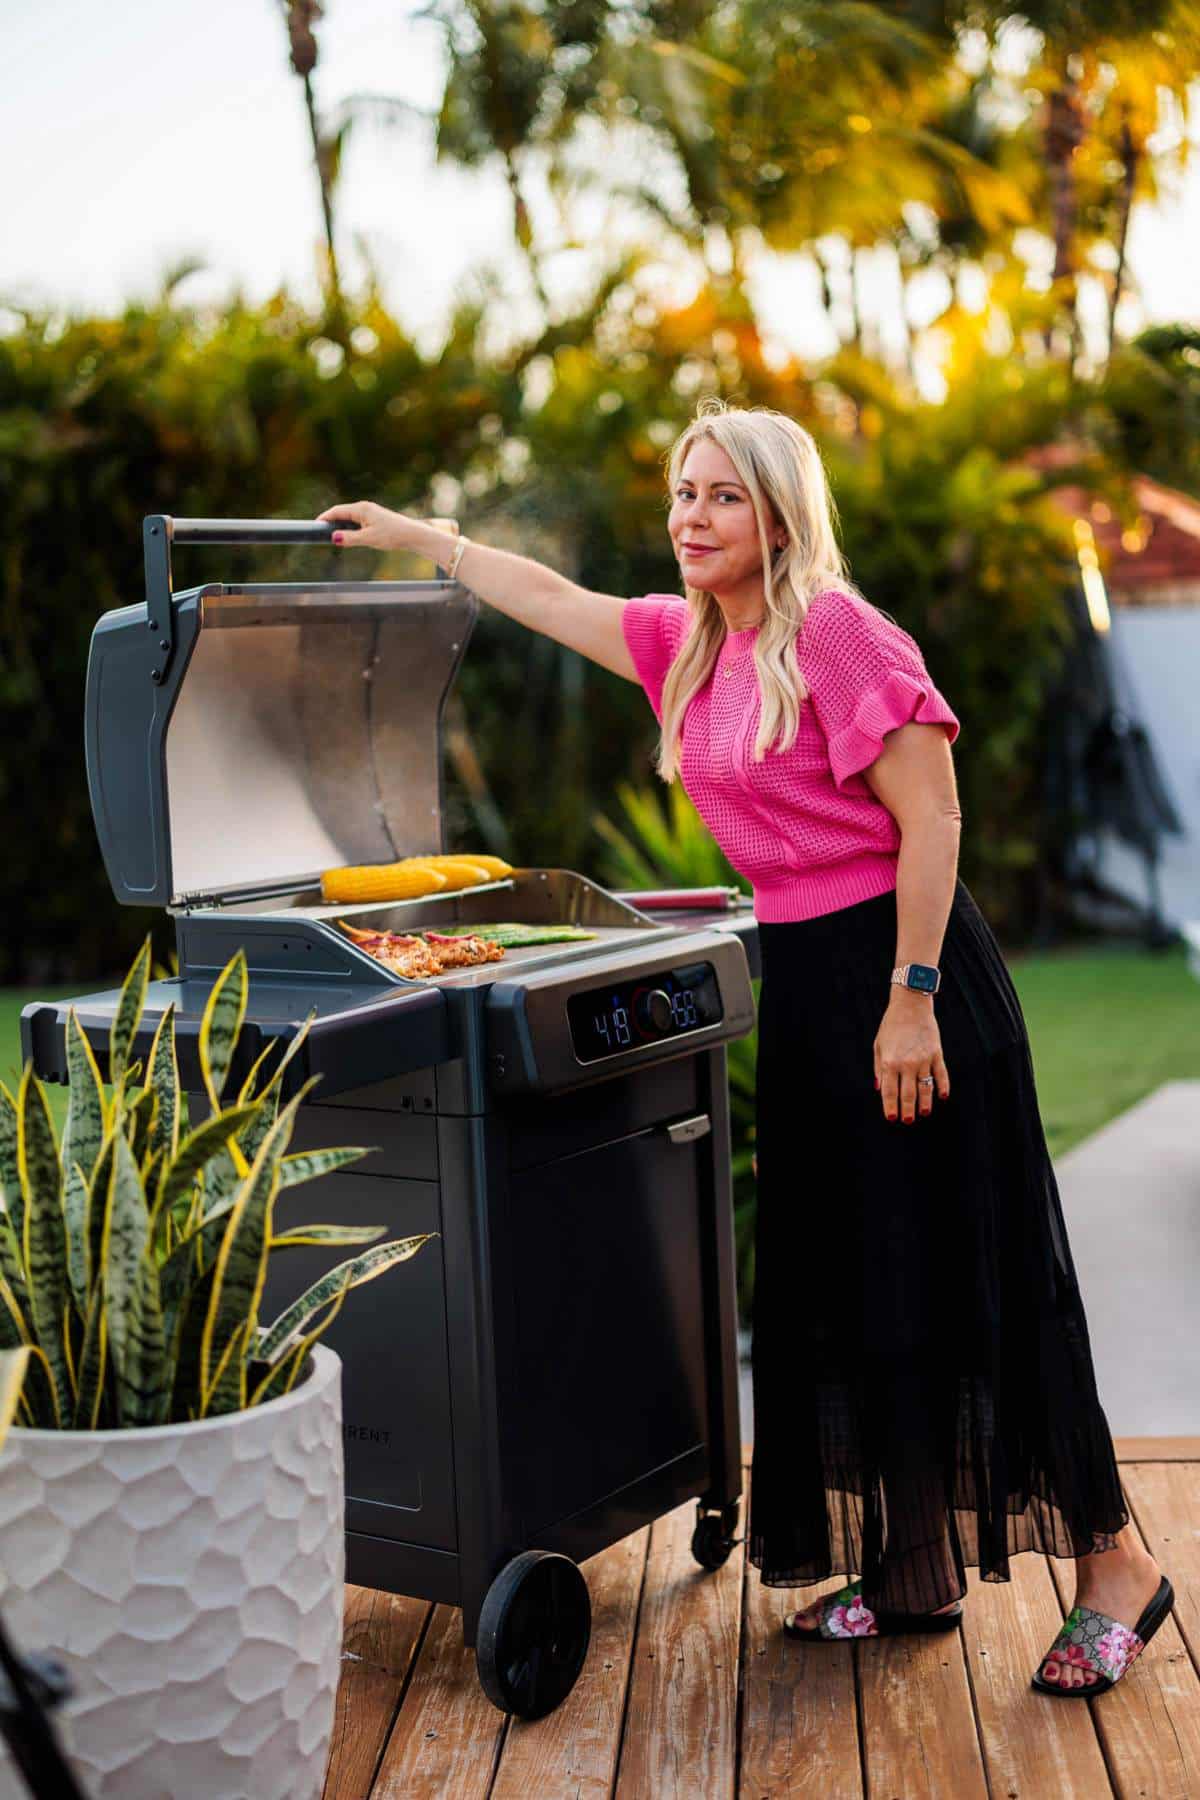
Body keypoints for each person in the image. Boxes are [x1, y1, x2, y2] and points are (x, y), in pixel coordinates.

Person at [317, 397, 1173, 1698]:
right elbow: (544, 593)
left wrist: (911, 998)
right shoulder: (688, 644)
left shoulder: (832, 632)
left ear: (779, 512)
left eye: (720, 495)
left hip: (910, 979)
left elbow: (933, 816)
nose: (689, 519)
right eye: (679, 495)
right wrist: (419, 536)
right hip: (816, 992)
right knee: (855, 1280)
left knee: (967, 1277)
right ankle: (910, 1568)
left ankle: (1117, 1568)